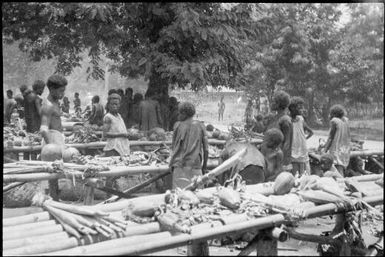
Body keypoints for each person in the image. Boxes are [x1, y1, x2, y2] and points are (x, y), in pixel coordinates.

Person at [168, 102, 209, 189]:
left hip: (179, 165)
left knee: (178, 196)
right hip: (196, 165)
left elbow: (174, 147)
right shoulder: (201, 126)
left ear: (184, 113)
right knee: (198, 196)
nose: (178, 115)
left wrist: (171, 163)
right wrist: (204, 166)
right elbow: (206, 149)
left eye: (179, 113)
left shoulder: (177, 125)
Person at [266, 90, 293, 172]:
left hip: (279, 160)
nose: (271, 103)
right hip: (271, 157)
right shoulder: (275, 117)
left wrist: (281, 163)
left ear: (279, 103)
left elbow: (287, 143)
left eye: (274, 101)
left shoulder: (285, 120)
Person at [322, 104, 351, 177]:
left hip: (336, 149)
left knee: (338, 168)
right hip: (345, 149)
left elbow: (330, 138)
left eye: (330, 113)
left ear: (334, 114)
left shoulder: (334, 121)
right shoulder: (345, 120)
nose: (329, 115)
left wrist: (324, 150)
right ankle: (342, 181)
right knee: (341, 167)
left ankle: (341, 184)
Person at [289, 96, 314, 176]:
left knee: (299, 172)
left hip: (297, 148)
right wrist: (303, 139)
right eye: (298, 108)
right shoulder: (289, 120)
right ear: (292, 108)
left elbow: (311, 132)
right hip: (298, 149)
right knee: (299, 172)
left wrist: (304, 139)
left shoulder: (300, 119)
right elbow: (311, 132)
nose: (300, 110)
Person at [40, 75, 68, 143]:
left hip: (57, 139)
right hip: (52, 142)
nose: (63, 93)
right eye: (61, 91)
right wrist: (51, 146)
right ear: (52, 90)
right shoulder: (48, 106)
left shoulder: (55, 103)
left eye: (64, 91)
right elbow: (43, 129)